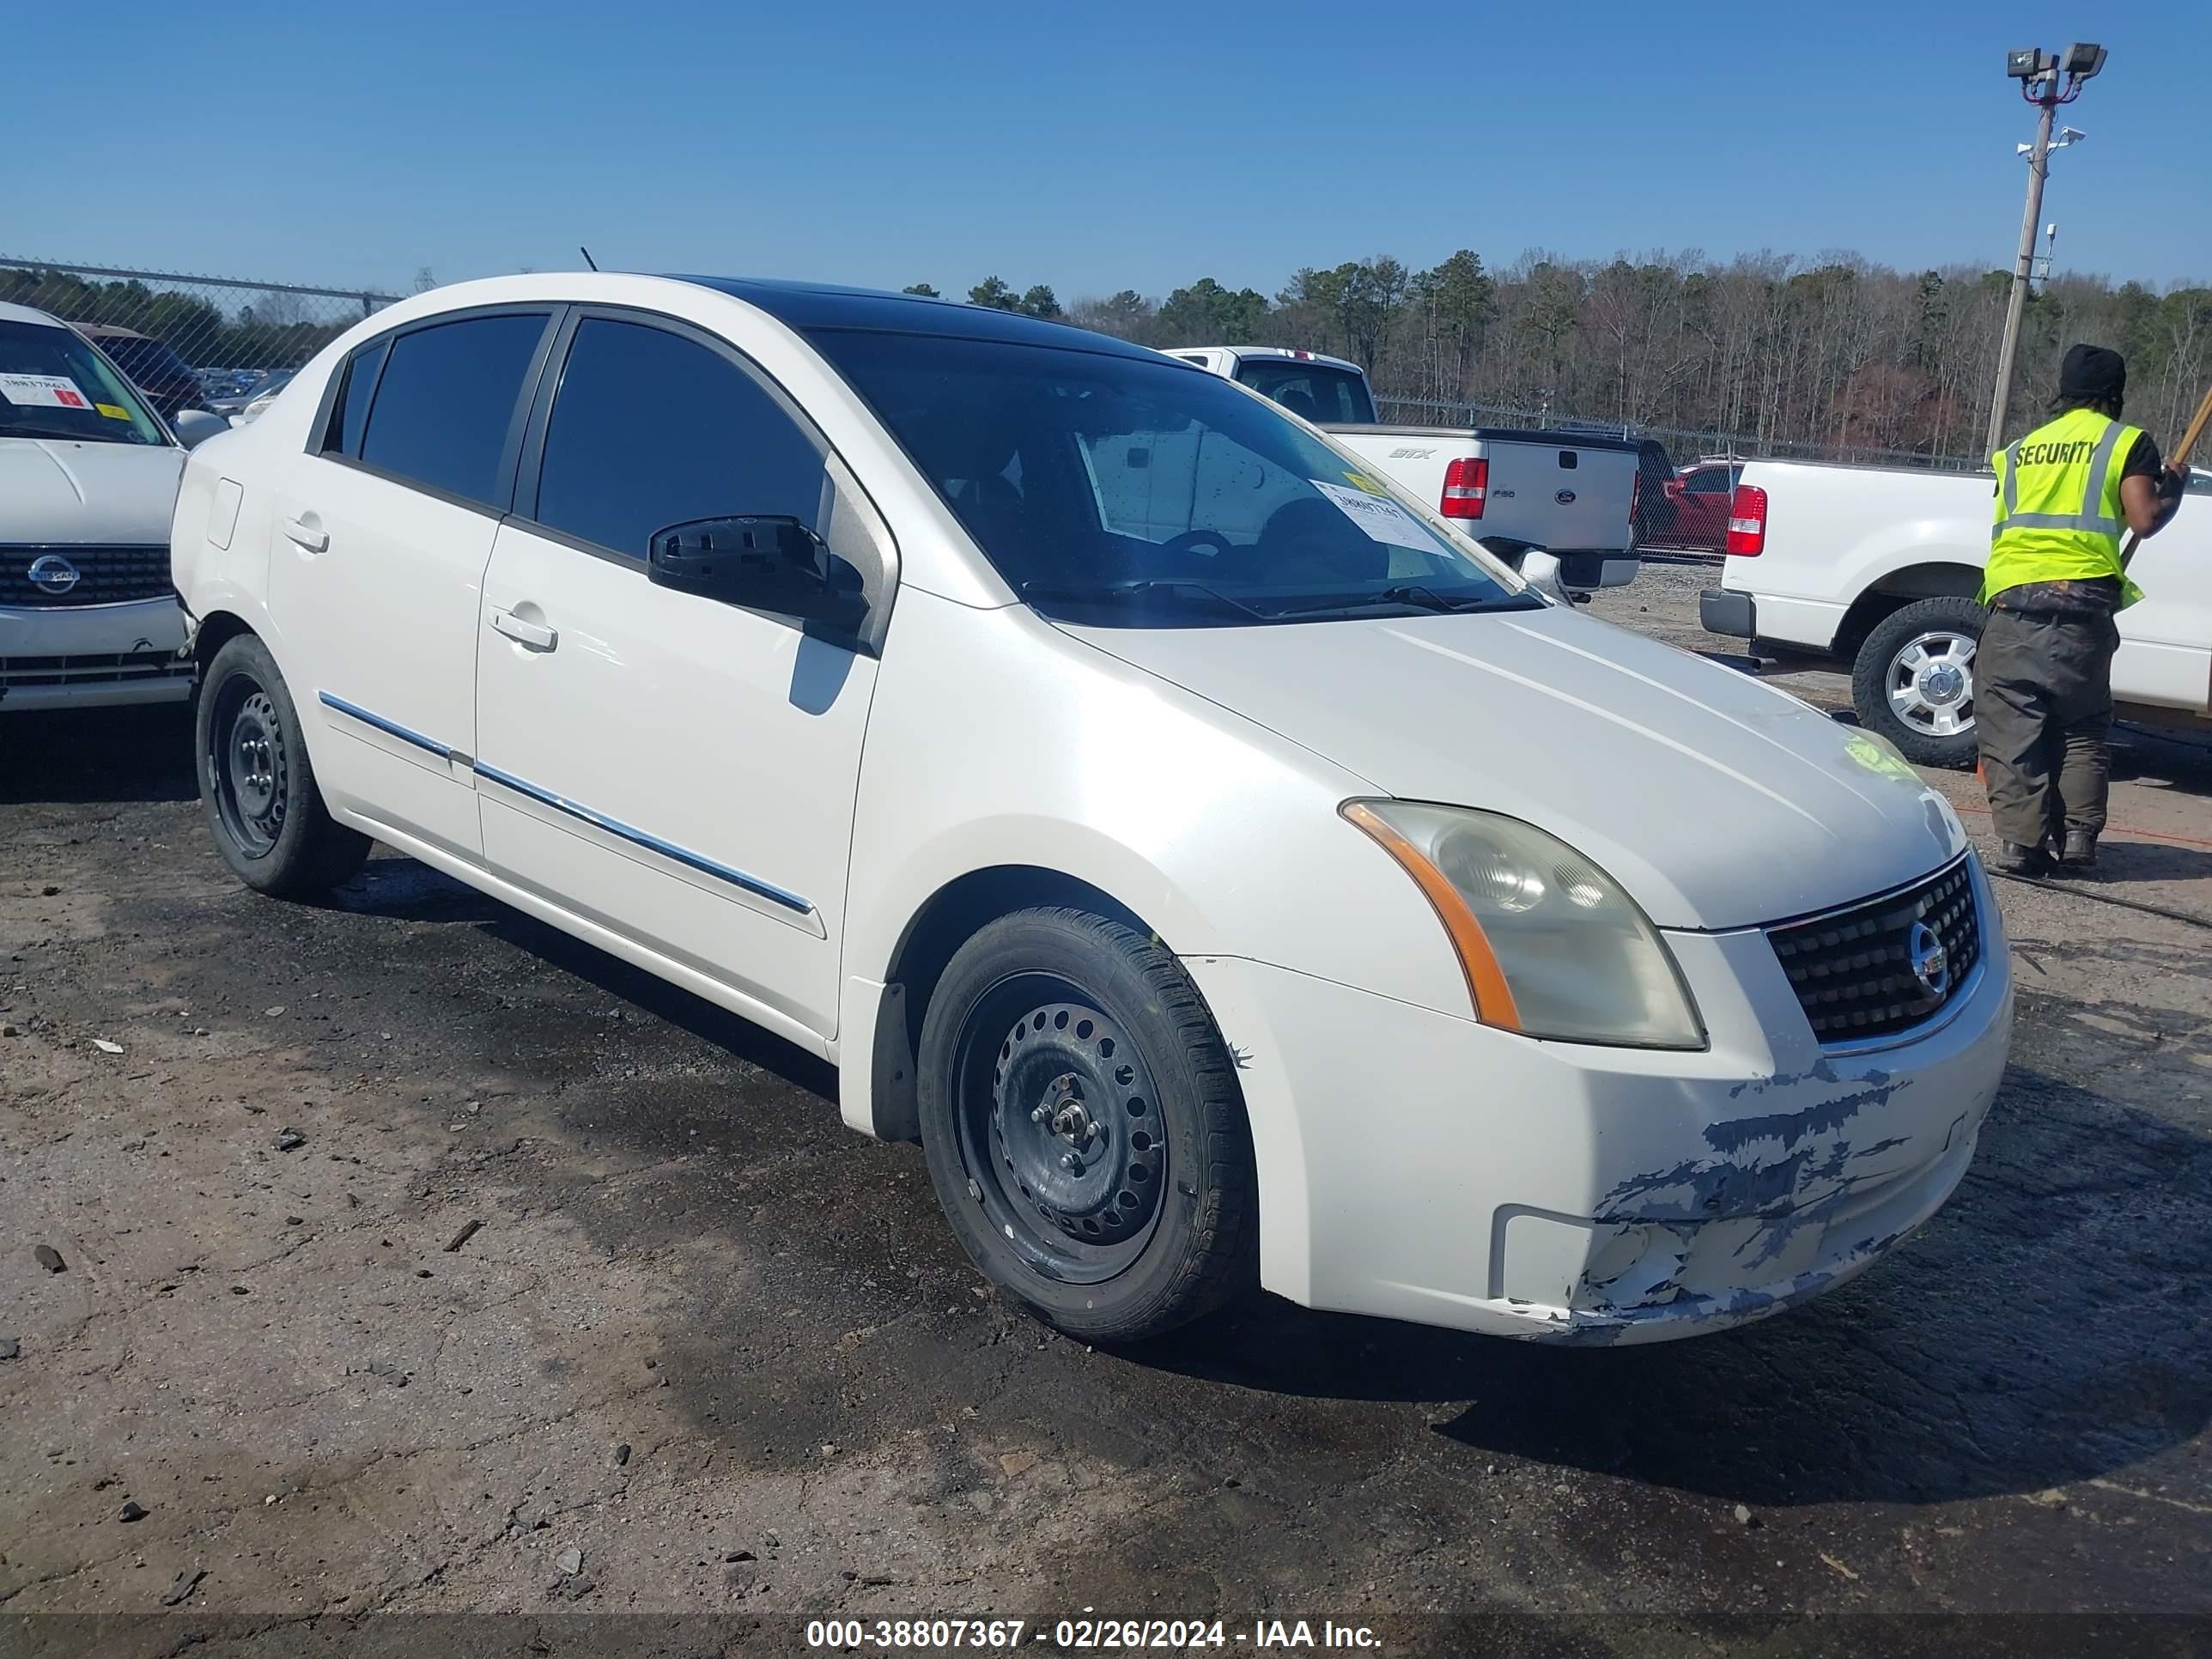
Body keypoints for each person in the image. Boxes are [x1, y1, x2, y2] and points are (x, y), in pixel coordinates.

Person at [1978, 344, 2190, 875]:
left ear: (2064, 391)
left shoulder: (2019, 449)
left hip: (2013, 607)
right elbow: (2143, 519)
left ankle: (2020, 846)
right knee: (2081, 727)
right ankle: (2077, 842)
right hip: (2081, 613)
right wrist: (2175, 492)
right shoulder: (2126, 443)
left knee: (2012, 731)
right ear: (2114, 394)